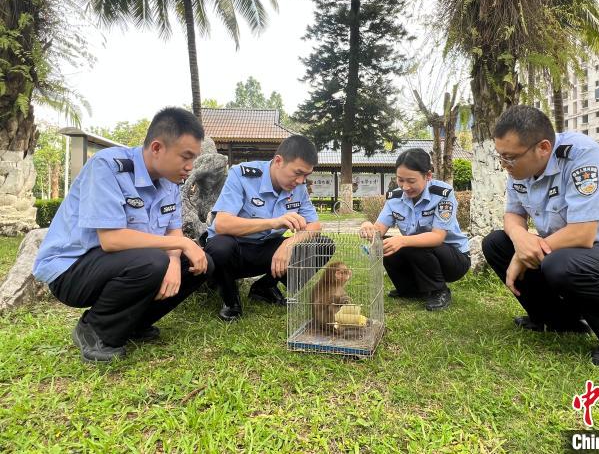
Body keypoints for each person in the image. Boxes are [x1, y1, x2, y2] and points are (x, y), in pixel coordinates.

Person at [482, 105, 599, 369]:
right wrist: (520, 239)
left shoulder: (581, 156)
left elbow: (583, 234)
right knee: (497, 243)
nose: (504, 165)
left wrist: (523, 254)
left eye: (510, 158)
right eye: (501, 156)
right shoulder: (520, 169)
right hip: (581, 258)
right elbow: (513, 214)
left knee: (561, 262)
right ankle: (559, 321)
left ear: (543, 148)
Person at [33, 107, 213, 362]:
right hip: (71, 269)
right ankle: (94, 330)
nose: (190, 167)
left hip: (122, 263)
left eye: (194, 158)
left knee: (200, 263)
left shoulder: (170, 181)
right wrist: (181, 244)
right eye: (186, 156)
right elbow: (112, 239)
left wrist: (175, 260)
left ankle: (134, 323)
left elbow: (172, 228)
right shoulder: (108, 166)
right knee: (154, 260)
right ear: (157, 147)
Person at [205, 135, 333, 321]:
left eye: (306, 175)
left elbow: (314, 225)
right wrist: (274, 222)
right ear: (279, 161)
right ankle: (230, 300)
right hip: (234, 252)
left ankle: (264, 288)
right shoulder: (242, 174)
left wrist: (288, 244)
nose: (300, 181)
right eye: (297, 173)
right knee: (219, 247)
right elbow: (222, 224)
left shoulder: (298, 188)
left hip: (266, 250)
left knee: (322, 245)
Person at [360, 148, 470, 311]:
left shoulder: (442, 194)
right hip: (420, 254)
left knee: (414, 243)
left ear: (428, 176)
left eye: (411, 181)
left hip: (453, 259)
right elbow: (378, 230)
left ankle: (439, 291)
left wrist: (403, 240)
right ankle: (410, 290)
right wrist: (367, 227)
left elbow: (437, 237)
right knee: (385, 244)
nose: (405, 187)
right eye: (400, 180)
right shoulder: (395, 198)